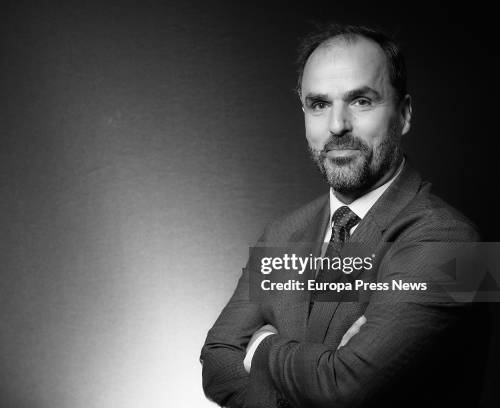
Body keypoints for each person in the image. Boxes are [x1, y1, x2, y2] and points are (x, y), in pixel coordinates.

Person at [200, 25, 490, 408]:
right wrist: (317, 375)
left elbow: (343, 389)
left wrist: (260, 348)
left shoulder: (461, 249)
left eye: (361, 101)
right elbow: (216, 362)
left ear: (403, 114)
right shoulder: (282, 233)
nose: (337, 125)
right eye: (319, 104)